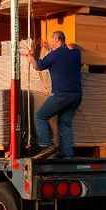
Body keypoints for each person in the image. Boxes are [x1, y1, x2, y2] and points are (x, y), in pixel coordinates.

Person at [27, 31, 82, 159]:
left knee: (40, 116)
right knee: (65, 123)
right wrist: (49, 49)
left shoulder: (53, 55)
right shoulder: (75, 54)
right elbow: (65, 54)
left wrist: (31, 59)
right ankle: (68, 155)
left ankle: (46, 146)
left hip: (61, 95)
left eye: (52, 40)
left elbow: (38, 66)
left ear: (57, 39)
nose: (51, 42)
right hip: (76, 96)